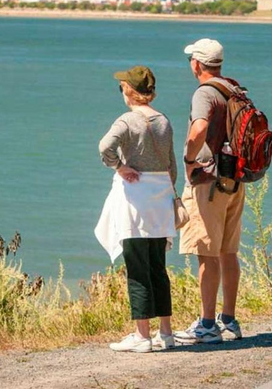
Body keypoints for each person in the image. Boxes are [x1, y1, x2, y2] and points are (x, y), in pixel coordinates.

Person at [96, 65, 177, 353]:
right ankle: (165, 333)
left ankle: (142, 335)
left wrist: (120, 167)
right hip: (161, 199)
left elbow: (104, 147)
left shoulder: (127, 120)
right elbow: (172, 165)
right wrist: (168, 193)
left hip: (135, 200)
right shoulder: (164, 121)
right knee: (158, 267)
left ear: (129, 91)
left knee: (138, 269)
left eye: (122, 87)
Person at [174, 38, 246, 344]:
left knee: (206, 253)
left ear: (197, 64)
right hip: (235, 180)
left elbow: (199, 129)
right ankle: (228, 320)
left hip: (209, 181)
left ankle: (206, 324)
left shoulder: (205, 93)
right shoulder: (234, 89)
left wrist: (190, 159)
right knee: (228, 252)